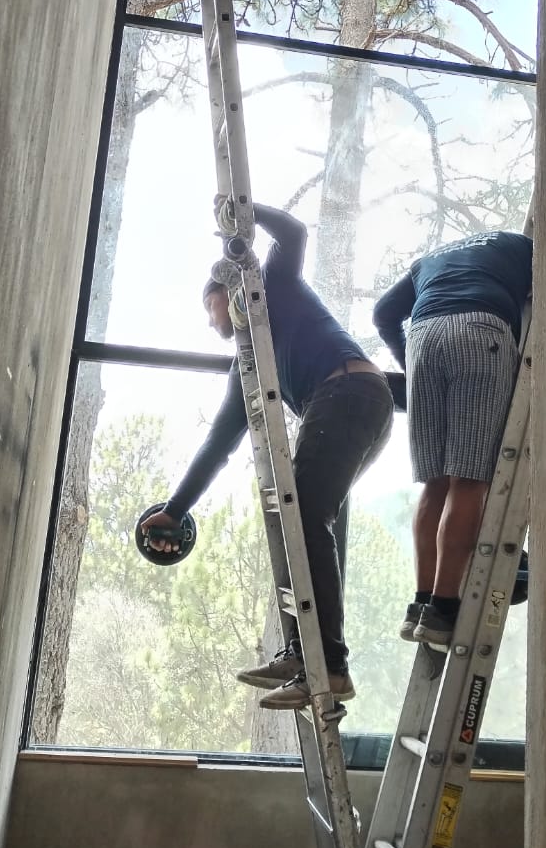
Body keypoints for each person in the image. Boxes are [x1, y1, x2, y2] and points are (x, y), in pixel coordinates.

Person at [139, 203, 393, 710]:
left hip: (350, 391)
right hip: (351, 402)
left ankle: (331, 666)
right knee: (307, 518)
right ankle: (306, 655)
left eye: (209, 307)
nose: (211, 322)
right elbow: (219, 444)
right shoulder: (248, 363)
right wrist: (176, 509)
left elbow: (293, 233)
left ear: (225, 292)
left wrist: (245, 213)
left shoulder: (268, 288)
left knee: (305, 515)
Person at [372, 229, 533, 646]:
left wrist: (410, 365)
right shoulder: (522, 246)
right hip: (480, 333)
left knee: (436, 482)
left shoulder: (430, 260)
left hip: (423, 338)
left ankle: (420, 604)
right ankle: (443, 609)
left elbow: (384, 314)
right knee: (470, 480)